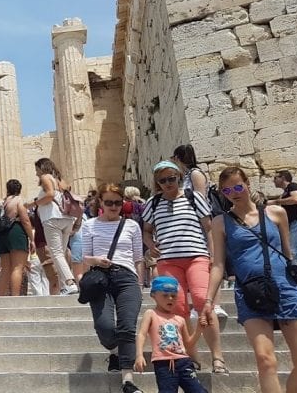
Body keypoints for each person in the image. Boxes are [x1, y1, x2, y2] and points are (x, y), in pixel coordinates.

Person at [203, 167, 297, 393]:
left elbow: (288, 254)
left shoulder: (276, 213)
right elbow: (218, 264)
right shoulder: (220, 223)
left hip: (285, 287)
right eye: (226, 190)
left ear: (247, 184)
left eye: (237, 186)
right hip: (250, 290)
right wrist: (208, 300)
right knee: (265, 360)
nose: (233, 193)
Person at [142, 160, 226, 374]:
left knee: (202, 302)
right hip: (168, 260)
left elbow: (208, 228)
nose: (168, 183)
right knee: (177, 308)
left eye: (172, 178)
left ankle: (217, 357)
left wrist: (212, 255)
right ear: (157, 182)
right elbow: (147, 230)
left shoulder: (193, 197)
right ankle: (191, 356)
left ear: (179, 177)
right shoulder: (152, 203)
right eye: (163, 180)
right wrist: (151, 246)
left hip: (196, 256)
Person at [81, 184, 145, 392]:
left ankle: (128, 380)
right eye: (109, 202)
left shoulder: (132, 226)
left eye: (118, 203)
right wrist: (97, 260)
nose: (114, 206)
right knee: (106, 328)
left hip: (127, 278)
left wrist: (140, 284)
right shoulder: (89, 225)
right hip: (101, 278)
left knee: (127, 326)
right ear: (100, 202)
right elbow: (85, 258)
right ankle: (117, 353)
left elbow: (138, 258)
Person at [135, 276, 206, 393]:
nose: (170, 298)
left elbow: (188, 344)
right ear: (153, 295)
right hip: (163, 363)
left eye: (174, 296)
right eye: (165, 295)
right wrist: (139, 355)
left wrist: (199, 329)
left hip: (183, 361)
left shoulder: (179, 319)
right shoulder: (151, 314)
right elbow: (142, 334)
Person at [29, 158, 79, 296]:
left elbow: (50, 195)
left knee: (56, 253)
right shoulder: (60, 180)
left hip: (52, 218)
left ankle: (70, 283)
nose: (36, 174)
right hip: (66, 219)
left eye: (37, 170)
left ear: (42, 168)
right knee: (61, 254)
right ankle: (65, 286)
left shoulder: (46, 177)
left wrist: (33, 204)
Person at [0, 179, 33, 297]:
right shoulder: (18, 200)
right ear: (19, 189)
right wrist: (32, 239)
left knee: (5, 268)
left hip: (2, 234)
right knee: (18, 267)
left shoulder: (3, 202)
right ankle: (15, 297)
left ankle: (0, 297)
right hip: (16, 231)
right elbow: (25, 220)